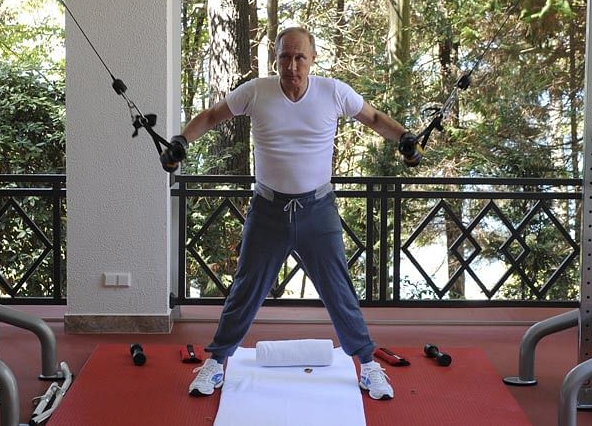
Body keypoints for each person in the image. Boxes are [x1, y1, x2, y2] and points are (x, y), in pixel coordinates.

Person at [160, 26, 422, 401]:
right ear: (276, 59)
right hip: (268, 210)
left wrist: (405, 140)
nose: (292, 65)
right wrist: (181, 141)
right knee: (245, 289)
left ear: (312, 59)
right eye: (285, 56)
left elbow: (376, 117)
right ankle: (216, 361)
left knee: (339, 291)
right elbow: (211, 116)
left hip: (319, 211)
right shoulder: (257, 91)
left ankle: (368, 365)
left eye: (300, 57)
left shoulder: (333, 92)